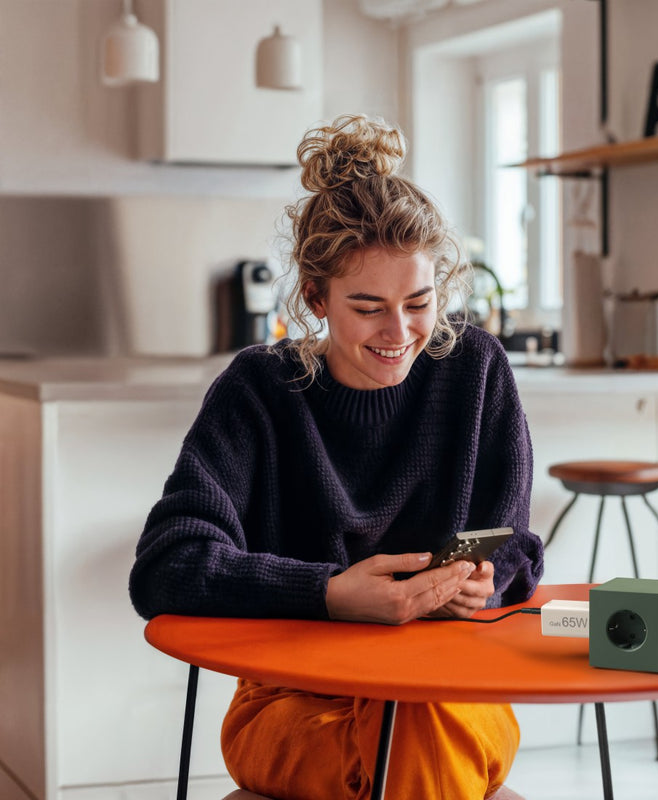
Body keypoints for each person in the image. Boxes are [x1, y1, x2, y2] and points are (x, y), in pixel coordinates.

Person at [129, 113, 543, 800]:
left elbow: (518, 546)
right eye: (368, 307)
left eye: (419, 301)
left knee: (406, 730)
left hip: (449, 692)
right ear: (316, 298)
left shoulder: (475, 369)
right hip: (291, 698)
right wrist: (325, 594)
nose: (401, 332)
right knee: (395, 751)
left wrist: (485, 581)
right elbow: (165, 568)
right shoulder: (259, 390)